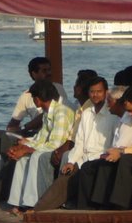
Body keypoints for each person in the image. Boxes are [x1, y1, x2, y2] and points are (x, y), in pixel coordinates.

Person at [0, 56, 71, 202]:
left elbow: (44, 121)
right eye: (44, 71)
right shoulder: (26, 95)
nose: (48, 73)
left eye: (49, 70)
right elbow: (14, 121)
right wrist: (16, 134)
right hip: (34, 134)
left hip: (44, 133)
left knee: (8, 142)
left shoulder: (55, 90)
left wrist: (24, 136)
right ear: (33, 74)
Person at [76, 87, 132, 209]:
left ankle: (120, 206)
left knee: (125, 160)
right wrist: (120, 151)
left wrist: (122, 151)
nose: (130, 114)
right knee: (97, 164)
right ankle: (97, 205)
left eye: (131, 110)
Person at [39, 76, 116, 209]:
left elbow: (114, 145)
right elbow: (79, 142)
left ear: (106, 92)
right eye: (92, 92)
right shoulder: (86, 114)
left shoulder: (113, 115)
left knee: (74, 177)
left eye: (99, 91)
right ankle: (40, 208)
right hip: (83, 158)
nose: (95, 95)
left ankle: (41, 209)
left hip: (100, 159)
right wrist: (71, 161)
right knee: (64, 176)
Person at [5, 80, 75, 213]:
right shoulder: (48, 112)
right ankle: (18, 203)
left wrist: (28, 149)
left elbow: (56, 143)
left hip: (60, 150)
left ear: (37, 99)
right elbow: (41, 138)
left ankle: (35, 203)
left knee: (36, 156)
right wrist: (24, 144)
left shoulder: (61, 113)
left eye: (33, 98)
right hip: (49, 146)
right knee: (21, 158)